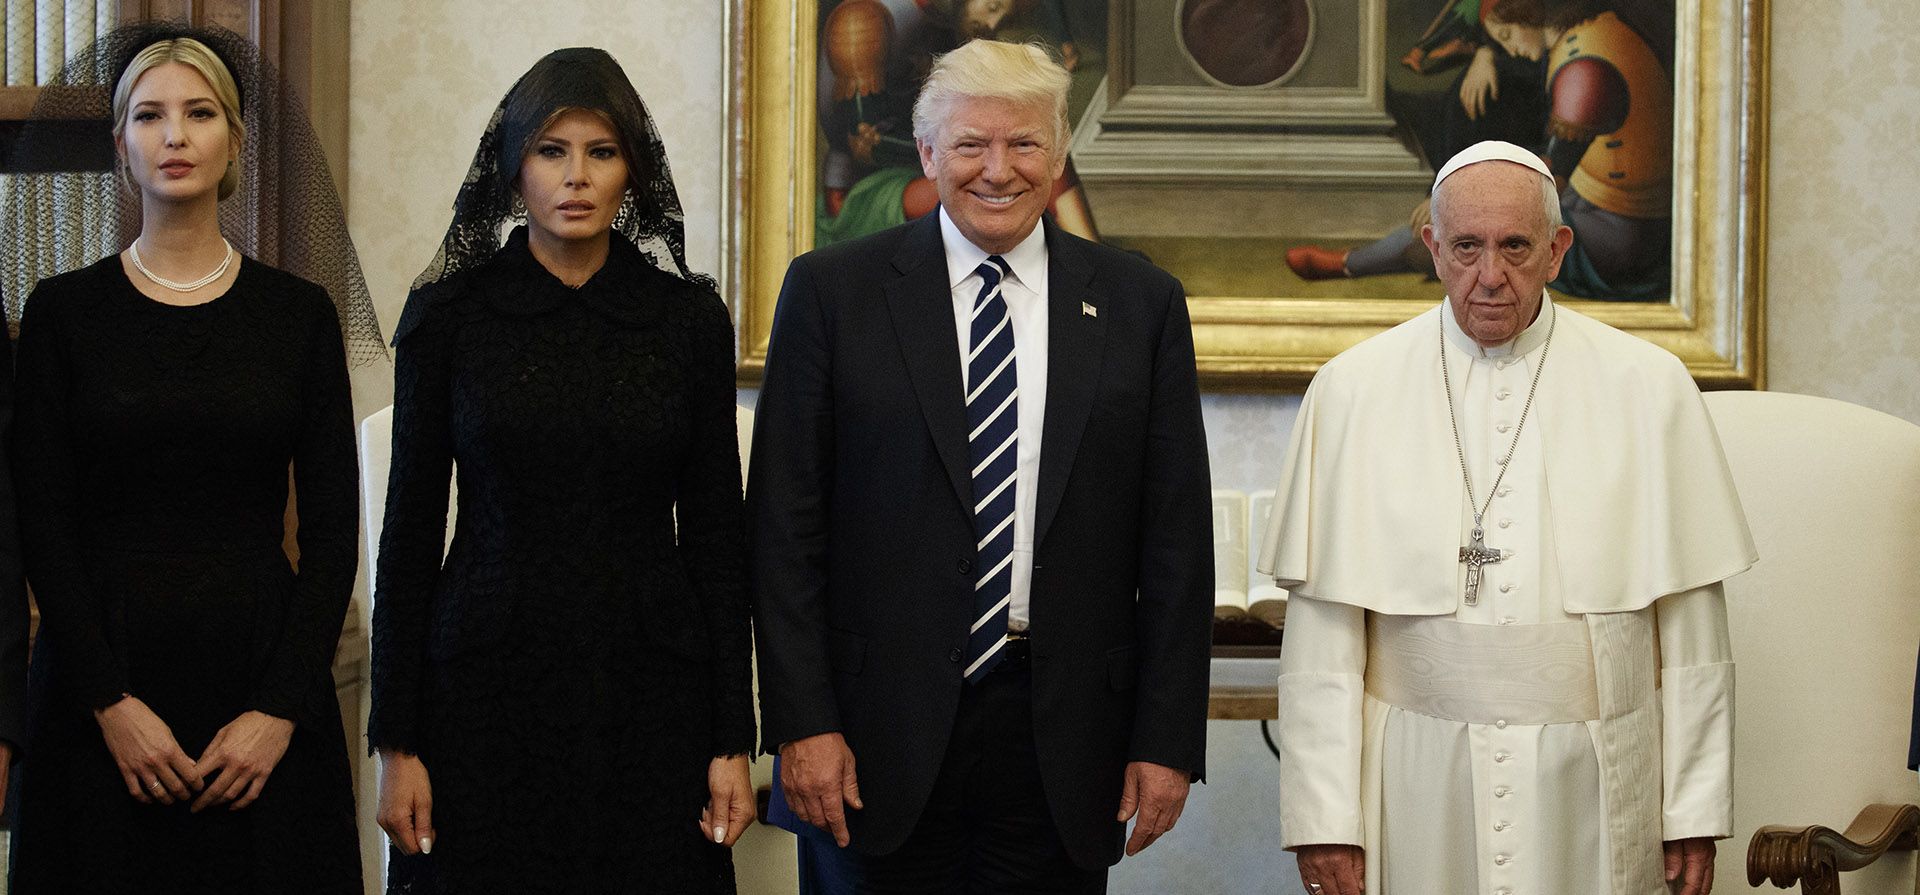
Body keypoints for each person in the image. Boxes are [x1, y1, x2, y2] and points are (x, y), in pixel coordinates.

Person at [751, 38, 1215, 893]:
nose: (997, 169)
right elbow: (783, 529)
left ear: (1060, 155)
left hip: (1064, 742)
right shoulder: (832, 293)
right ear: (927, 154)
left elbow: (1177, 543)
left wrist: (1166, 739)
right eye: (970, 145)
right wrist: (801, 724)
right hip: (867, 739)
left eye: (1024, 143)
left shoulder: (1139, 304)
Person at [1259, 140, 1755, 895]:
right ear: (1432, 247)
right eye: (1466, 247)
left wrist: (1690, 809)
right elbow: (1323, 642)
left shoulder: (1648, 388)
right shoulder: (1352, 391)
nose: (1489, 276)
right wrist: (1325, 817)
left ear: (1557, 250)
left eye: (1515, 247)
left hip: (1594, 780)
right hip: (1413, 785)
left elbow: (1691, 632)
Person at [368, 47, 754, 894]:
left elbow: (720, 538)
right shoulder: (450, 316)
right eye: (551, 150)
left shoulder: (687, 319)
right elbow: (408, 532)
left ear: (633, 175)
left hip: (653, 697)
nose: (576, 176)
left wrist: (735, 736)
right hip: (481, 693)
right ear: (513, 172)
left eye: (601, 151)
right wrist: (395, 741)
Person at [8, 26, 373, 894]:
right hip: (100, 690)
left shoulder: (298, 315)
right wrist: (110, 703)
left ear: (235, 139)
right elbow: (42, 519)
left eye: (199, 113)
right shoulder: (61, 314)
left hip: (259, 679)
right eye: (149, 115)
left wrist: (281, 707)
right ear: (120, 145)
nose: (174, 136)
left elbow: (331, 529)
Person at [1289, 0, 1676, 302]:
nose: (1510, 49)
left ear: (1530, 14)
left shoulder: (1582, 70)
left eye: (1507, 36)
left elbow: (1546, 181)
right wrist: (1485, 53)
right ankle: (1356, 260)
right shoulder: (1595, 30)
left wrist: (1454, 198)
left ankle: (1349, 264)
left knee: (1466, 231)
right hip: (1609, 207)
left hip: (1616, 242)